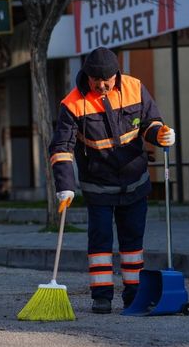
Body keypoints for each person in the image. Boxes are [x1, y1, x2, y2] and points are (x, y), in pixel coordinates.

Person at [49, 47, 176, 314]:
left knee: (132, 244)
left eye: (107, 80)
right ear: (88, 77)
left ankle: (134, 295)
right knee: (100, 242)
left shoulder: (134, 87)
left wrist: (161, 134)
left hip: (134, 180)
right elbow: (61, 147)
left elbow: (150, 122)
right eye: (97, 81)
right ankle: (102, 297)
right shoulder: (72, 104)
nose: (103, 85)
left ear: (116, 75)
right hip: (98, 184)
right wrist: (65, 186)